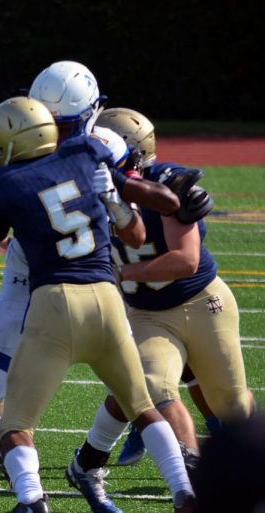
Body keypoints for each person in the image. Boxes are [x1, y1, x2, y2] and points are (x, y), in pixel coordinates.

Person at [0, 60, 167, 512]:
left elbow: (139, 211)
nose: (55, 130)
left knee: (131, 392)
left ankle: (87, 467)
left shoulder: (99, 149)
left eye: (62, 122)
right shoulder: (30, 137)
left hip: (89, 283)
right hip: (29, 283)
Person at [83, 108, 252, 478]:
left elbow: (186, 260)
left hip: (203, 302)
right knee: (154, 387)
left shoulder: (164, 184)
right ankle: (191, 478)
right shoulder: (83, 187)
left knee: (232, 403)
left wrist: (122, 272)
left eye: (99, 145)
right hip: (146, 313)